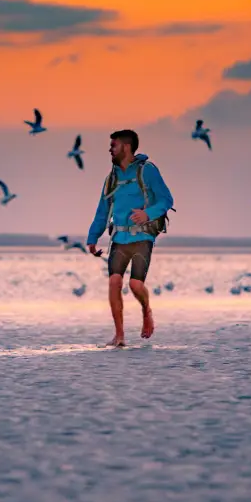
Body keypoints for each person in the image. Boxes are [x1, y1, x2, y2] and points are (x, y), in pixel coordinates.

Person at [86, 129, 174, 347]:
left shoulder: (148, 171)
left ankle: (146, 311)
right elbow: (102, 210)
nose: (110, 149)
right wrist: (93, 237)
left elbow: (166, 200)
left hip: (143, 236)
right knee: (114, 282)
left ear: (125, 147)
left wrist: (148, 214)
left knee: (135, 285)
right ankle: (119, 335)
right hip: (119, 237)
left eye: (113, 145)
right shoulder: (112, 178)